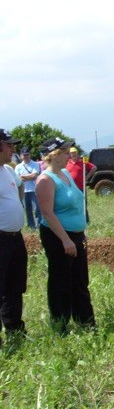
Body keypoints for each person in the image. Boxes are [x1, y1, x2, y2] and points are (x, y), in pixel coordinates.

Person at [35, 137, 96, 335]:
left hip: (75, 235)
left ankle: (86, 323)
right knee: (61, 282)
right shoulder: (45, 180)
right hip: (58, 236)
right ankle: (60, 325)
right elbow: (47, 213)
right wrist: (65, 239)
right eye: (64, 150)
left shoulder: (66, 174)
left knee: (80, 280)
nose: (68, 153)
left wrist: (79, 234)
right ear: (54, 155)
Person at [0, 129, 28, 340]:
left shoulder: (8, 171)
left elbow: (20, 186)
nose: (13, 149)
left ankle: (15, 329)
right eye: (9, 145)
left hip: (15, 238)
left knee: (14, 287)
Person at [65, 147, 96, 223]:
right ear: (70, 154)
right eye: (72, 153)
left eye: (75, 153)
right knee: (72, 204)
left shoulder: (83, 162)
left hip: (81, 187)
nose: (73, 155)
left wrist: (86, 177)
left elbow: (94, 168)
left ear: (77, 153)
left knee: (83, 205)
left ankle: (86, 221)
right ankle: (74, 220)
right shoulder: (66, 163)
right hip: (70, 188)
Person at [15, 147, 41, 228]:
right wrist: (29, 176)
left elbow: (34, 176)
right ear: (20, 156)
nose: (26, 156)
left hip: (33, 190)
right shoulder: (18, 166)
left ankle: (39, 224)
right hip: (23, 191)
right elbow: (18, 179)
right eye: (24, 155)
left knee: (37, 209)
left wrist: (23, 176)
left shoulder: (35, 164)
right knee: (27, 210)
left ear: (30, 154)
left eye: (27, 154)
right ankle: (31, 225)